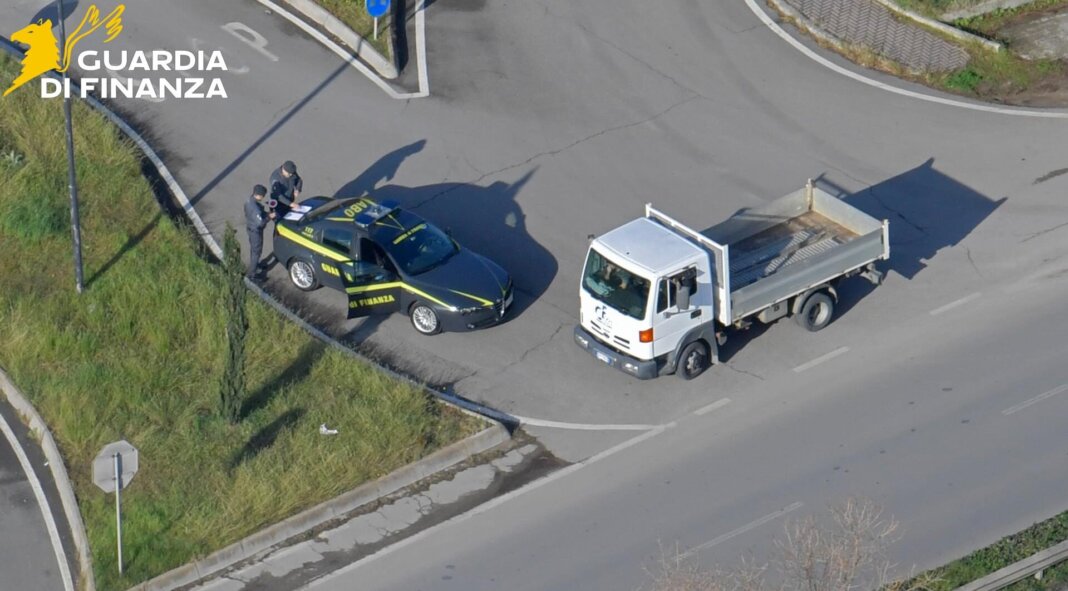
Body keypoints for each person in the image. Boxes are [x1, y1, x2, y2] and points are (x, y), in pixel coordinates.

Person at [244, 184, 275, 279]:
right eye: (263, 196)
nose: (263, 197)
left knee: (254, 250)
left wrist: (266, 214)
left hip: (251, 227)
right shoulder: (255, 208)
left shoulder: (249, 200)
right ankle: (252, 274)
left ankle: (256, 264)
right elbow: (260, 222)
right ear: (259, 195)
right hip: (255, 231)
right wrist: (269, 217)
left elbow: (258, 215)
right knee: (256, 252)